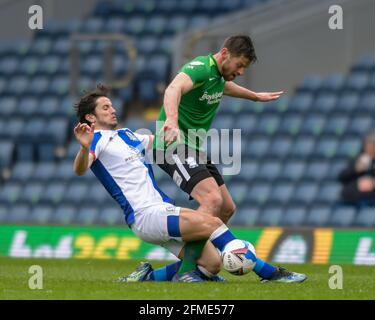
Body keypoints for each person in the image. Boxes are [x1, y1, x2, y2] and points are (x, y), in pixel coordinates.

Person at [72, 85, 306, 283]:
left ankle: (148, 277)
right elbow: (81, 169)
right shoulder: (96, 140)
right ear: (91, 117)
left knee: (211, 265)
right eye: (105, 107)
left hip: (159, 211)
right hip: (146, 214)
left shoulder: (128, 135)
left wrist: (180, 133)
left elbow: (164, 143)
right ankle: (270, 273)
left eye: (112, 105)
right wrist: (83, 148)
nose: (113, 110)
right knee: (212, 222)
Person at [153, 34, 283, 224]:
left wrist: (255, 96)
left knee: (226, 208)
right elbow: (173, 88)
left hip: (193, 148)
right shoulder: (201, 68)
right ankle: (188, 251)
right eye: (240, 65)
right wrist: (171, 120)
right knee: (212, 199)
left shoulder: (218, 77)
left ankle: (208, 251)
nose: (241, 72)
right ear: (224, 53)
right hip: (172, 145)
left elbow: (226, 87)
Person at [338, 131, 375, 207]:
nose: (370, 148)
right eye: (368, 145)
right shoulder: (358, 159)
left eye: (373, 145)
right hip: (355, 199)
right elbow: (342, 177)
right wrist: (355, 169)